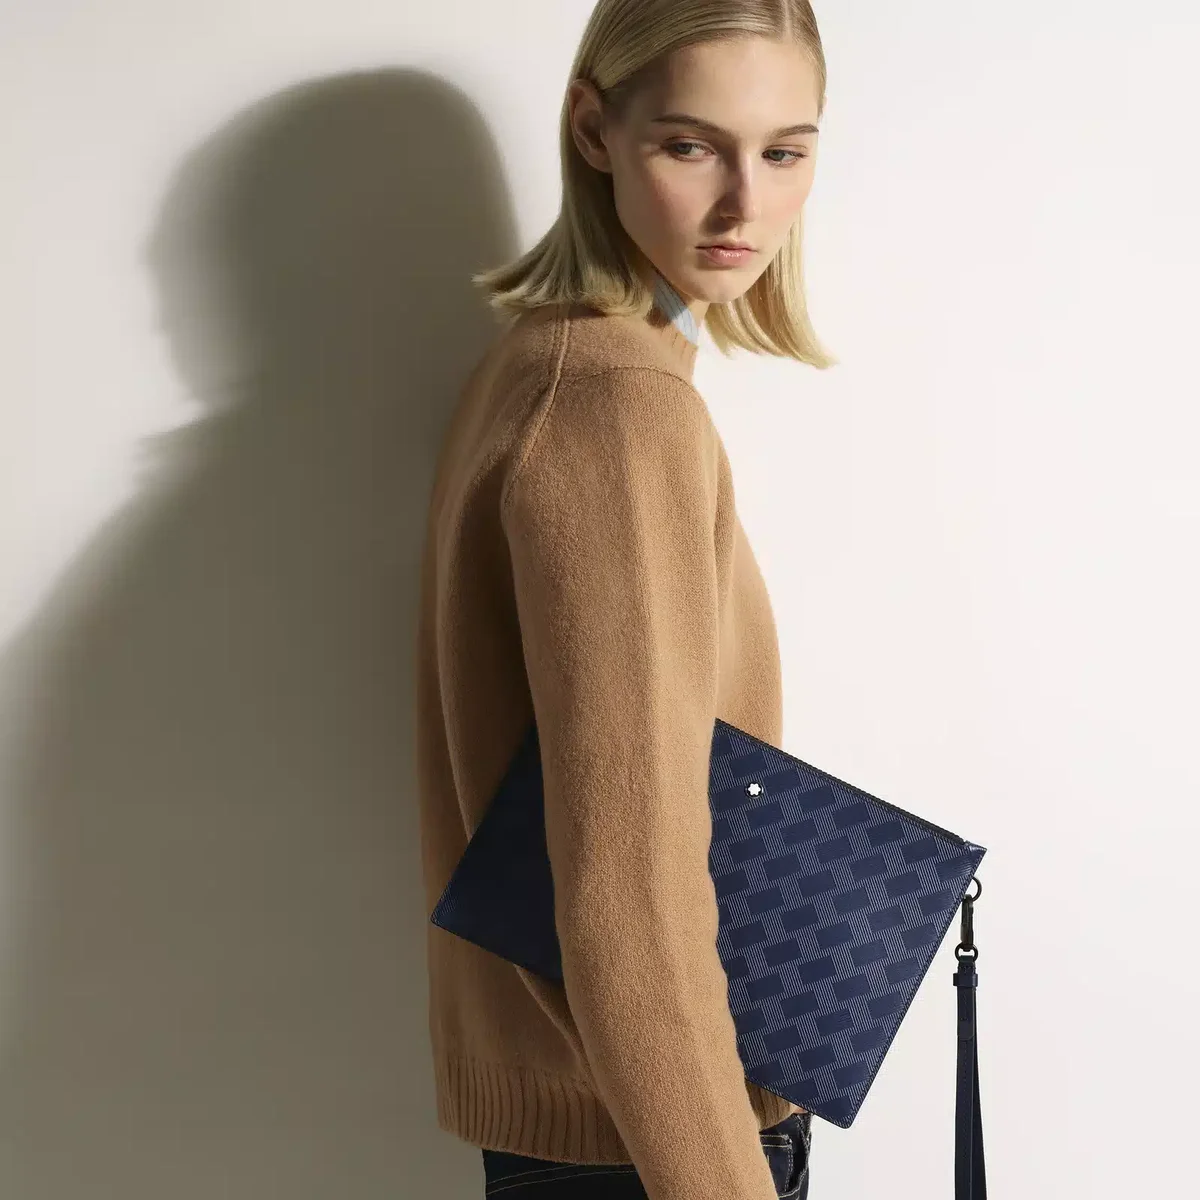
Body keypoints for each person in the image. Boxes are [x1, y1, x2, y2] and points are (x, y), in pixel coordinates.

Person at [414, 2, 836, 1196]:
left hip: (600, 1118)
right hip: (659, 1139)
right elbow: (629, 894)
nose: (744, 205)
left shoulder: (540, 364)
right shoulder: (614, 409)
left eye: (785, 152)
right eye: (691, 146)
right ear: (595, 130)